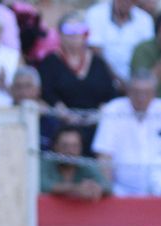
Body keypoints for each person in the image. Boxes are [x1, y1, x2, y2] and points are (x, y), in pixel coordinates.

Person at [95, 74, 161, 196]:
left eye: (146, 93)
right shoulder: (114, 109)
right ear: (128, 92)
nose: (141, 97)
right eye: (136, 92)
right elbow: (104, 155)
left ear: (154, 94)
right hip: (121, 192)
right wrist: (109, 192)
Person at [38, 17, 119, 151]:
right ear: (60, 34)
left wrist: (97, 116)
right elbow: (46, 93)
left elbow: (110, 93)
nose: (74, 35)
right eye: (69, 30)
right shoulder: (50, 62)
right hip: (61, 126)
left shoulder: (98, 62)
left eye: (79, 30)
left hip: (96, 125)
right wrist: (66, 115)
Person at [83, 0, 154, 86]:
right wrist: (117, 80)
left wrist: (133, 84)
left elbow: (146, 53)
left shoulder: (145, 19)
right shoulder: (95, 14)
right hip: (103, 79)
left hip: (136, 83)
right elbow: (96, 51)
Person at [41, 126, 109, 200]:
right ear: (55, 146)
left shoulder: (86, 164)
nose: (70, 151)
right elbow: (40, 184)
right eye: (64, 146)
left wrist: (95, 187)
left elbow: (107, 186)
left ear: (81, 148)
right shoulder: (45, 162)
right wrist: (75, 188)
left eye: (75, 146)